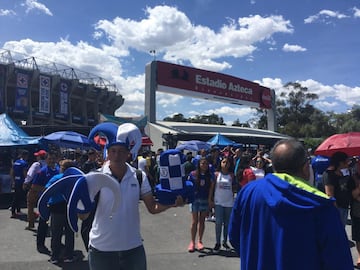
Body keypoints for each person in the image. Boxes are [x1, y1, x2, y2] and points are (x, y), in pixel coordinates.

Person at [228, 139, 353, 270]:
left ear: (274, 165)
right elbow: (338, 260)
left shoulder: (248, 192)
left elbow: (236, 237)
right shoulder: (321, 204)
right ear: (305, 167)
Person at [80, 122, 184, 270]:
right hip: (101, 250)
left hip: (133, 249)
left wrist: (172, 204)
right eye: (113, 151)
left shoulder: (139, 176)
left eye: (121, 151)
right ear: (107, 153)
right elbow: (83, 216)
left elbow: (152, 207)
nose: (117, 155)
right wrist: (78, 204)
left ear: (128, 153)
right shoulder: (94, 177)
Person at [45, 159, 76, 264]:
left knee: (56, 233)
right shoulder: (76, 179)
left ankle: (55, 256)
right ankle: (69, 255)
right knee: (69, 233)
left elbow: (47, 190)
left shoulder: (56, 178)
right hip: (71, 208)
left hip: (57, 209)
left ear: (63, 169)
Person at [29, 151, 59, 255]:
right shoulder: (42, 172)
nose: (51, 161)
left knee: (55, 224)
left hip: (56, 202)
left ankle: (57, 244)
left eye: (53, 159)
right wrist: (49, 189)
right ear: (46, 160)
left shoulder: (58, 170)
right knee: (43, 223)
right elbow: (34, 187)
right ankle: (40, 244)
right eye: (49, 159)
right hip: (44, 201)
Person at [209, 156, 236, 252]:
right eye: (224, 162)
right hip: (218, 202)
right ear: (220, 163)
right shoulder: (216, 174)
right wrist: (210, 200)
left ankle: (225, 241)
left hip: (229, 202)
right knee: (218, 223)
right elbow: (212, 188)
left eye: (227, 162)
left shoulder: (232, 175)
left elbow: (233, 189)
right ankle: (217, 242)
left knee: (227, 223)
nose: (225, 164)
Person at [187, 157, 214, 252]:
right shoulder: (193, 174)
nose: (204, 165)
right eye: (202, 163)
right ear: (199, 164)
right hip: (194, 199)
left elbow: (211, 188)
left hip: (204, 199)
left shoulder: (209, 175)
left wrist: (210, 200)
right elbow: (189, 186)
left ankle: (200, 241)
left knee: (202, 221)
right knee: (194, 221)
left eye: (206, 164)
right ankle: (192, 242)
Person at [323, 151, 355, 228]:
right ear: (341, 162)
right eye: (347, 161)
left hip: (345, 206)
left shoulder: (342, 173)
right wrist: (335, 211)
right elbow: (329, 195)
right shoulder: (329, 175)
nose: (348, 163)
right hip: (337, 208)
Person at [23, 149, 47, 230]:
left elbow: (30, 175)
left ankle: (31, 223)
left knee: (30, 204)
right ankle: (43, 223)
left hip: (35, 187)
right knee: (43, 205)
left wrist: (25, 183)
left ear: (40, 157)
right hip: (45, 187)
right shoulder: (48, 164)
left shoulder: (36, 164)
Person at [10, 150, 29, 218]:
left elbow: (12, 172)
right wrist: (27, 181)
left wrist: (13, 181)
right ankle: (13, 211)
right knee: (18, 197)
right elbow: (25, 173)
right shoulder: (24, 163)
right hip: (21, 182)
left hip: (16, 181)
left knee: (17, 196)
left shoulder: (16, 162)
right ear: (26, 156)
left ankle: (18, 210)